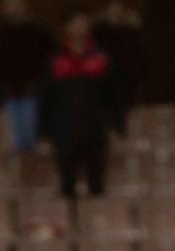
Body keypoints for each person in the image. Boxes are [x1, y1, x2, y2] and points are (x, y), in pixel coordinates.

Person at [41, 14, 118, 200]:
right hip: (65, 132)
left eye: (82, 24)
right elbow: (46, 99)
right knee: (67, 185)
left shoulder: (101, 59)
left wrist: (116, 126)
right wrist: (43, 133)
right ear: (67, 29)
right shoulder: (57, 61)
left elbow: (114, 96)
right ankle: (71, 224)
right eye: (74, 24)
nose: (79, 28)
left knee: (97, 184)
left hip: (95, 131)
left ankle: (97, 225)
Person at [0, 0, 53, 154]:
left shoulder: (40, 29)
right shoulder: (3, 31)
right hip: (11, 94)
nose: (11, 7)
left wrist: (40, 85)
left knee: (32, 142)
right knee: (15, 144)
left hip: (33, 93)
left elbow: (49, 61)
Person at [92, 1, 145, 133]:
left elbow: (138, 55)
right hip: (104, 80)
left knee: (127, 117)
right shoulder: (99, 29)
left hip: (127, 80)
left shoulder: (130, 30)